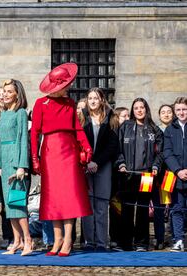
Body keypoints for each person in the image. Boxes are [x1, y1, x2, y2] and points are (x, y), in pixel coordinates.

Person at [31, 63, 93, 257]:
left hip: (69, 152)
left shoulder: (70, 104)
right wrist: (35, 158)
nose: (69, 86)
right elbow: (34, 132)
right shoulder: (41, 104)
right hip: (49, 153)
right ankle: (56, 240)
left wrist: (87, 146)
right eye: (66, 84)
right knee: (53, 198)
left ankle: (67, 240)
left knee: (70, 198)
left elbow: (77, 129)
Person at [116, 98, 163, 251]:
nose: (139, 110)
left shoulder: (154, 129)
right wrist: (121, 163)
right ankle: (126, 242)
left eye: (141, 107)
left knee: (143, 209)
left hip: (146, 176)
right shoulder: (125, 127)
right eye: (136, 108)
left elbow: (160, 152)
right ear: (132, 110)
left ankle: (142, 243)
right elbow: (118, 149)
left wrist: (156, 165)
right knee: (127, 209)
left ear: (146, 109)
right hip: (128, 174)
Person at [79, 87, 118, 252]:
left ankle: (102, 242)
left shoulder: (111, 118)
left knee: (101, 205)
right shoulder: (81, 118)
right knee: (87, 205)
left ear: (102, 100)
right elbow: (77, 141)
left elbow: (112, 146)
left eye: (96, 98)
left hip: (103, 166)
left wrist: (97, 162)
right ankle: (89, 241)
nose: (93, 101)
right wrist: (86, 161)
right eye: (90, 98)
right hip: (85, 166)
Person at [0, 79, 33, 256]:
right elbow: (0, 142)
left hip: (16, 161)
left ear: (17, 94)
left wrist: (21, 166)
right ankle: (16, 240)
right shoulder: (3, 114)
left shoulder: (21, 113)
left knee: (17, 203)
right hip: (4, 162)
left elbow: (23, 141)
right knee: (8, 206)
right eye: (4, 91)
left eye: (9, 91)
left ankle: (28, 239)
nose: (5, 94)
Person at [164, 97, 187, 252]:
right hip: (177, 176)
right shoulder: (170, 129)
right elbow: (167, 152)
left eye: (184, 109)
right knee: (177, 209)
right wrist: (178, 170)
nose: (181, 112)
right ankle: (178, 240)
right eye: (178, 110)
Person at [0, 86, 14, 249]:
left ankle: (16, 236)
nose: (1, 97)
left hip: (9, 163)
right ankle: (7, 235)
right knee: (3, 204)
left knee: (13, 200)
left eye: (4, 94)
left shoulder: (14, 114)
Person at [153, 104, 175, 250]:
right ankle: (159, 237)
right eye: (163, 112)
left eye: (169, 112)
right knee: (158, 207)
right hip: (159, 174)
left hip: (173, 173)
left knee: (174, 207)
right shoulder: (154, 130)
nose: (166, 114)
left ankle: (175, 236)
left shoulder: (176, 129)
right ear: (159, 115)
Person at [109, 106, 129, 251]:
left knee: (124, 209)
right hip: (114, 176)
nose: (128, 119)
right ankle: (115, 238)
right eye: (124, 116)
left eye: (129, 116)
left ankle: (124, 238)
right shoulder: (113, 132)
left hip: (126, 176)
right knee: (115, 209)